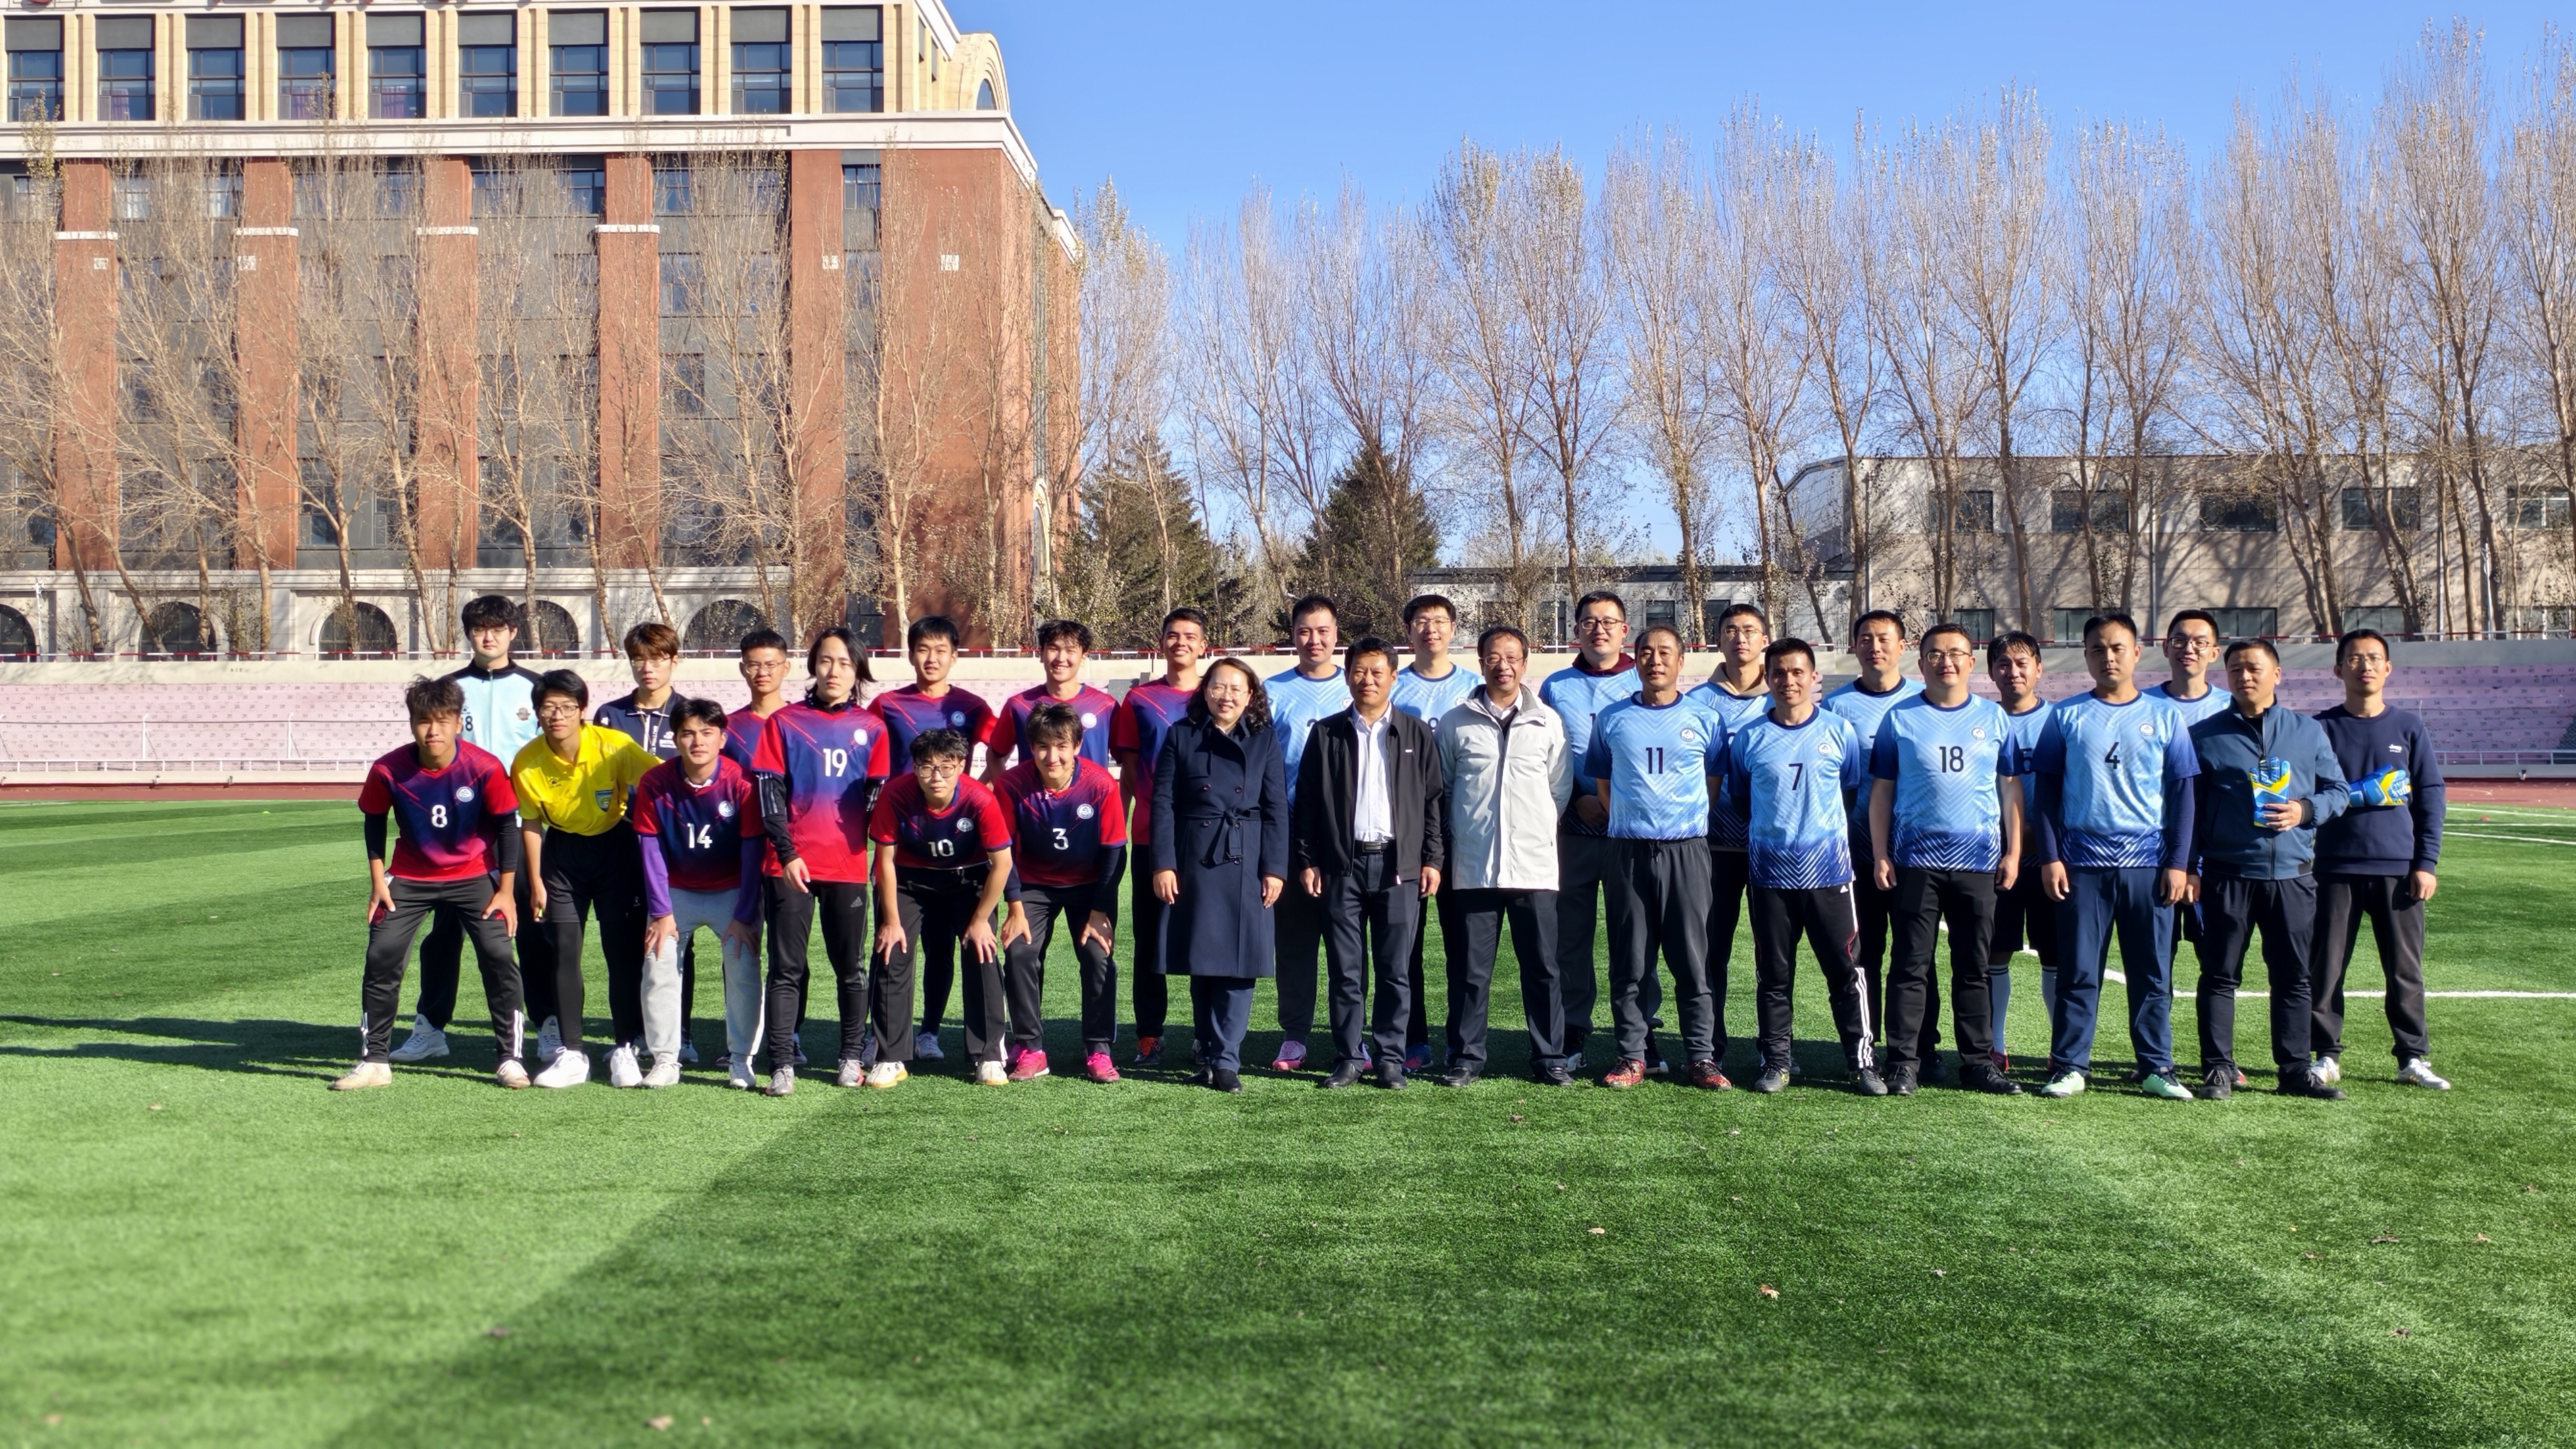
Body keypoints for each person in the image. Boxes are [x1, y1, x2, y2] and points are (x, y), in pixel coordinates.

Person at [2029, 613, 2199, 1101]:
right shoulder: (2066, 716)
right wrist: (2051, 857)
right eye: (2098, 649)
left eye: (2117, 648)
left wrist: (2179, 863)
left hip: (2149, 867)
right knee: (2079, 971)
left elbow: (2183, 796)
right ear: (2085, 655)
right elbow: (2047, 794)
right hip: (2082, 866)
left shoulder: (2165, 717)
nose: (2108, 657)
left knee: (2152, 973)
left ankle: (2156, 1067)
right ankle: (2069, 1066)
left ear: (2137, 652)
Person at [335, 675, 526, 1091]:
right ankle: (374, 1061)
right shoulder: (388, 768)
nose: (433, 731)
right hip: (410, 876)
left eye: (442, 720)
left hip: (473, 874)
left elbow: (507, 827)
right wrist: (378, 880)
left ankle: (510, 1059)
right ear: (412, 723)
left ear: (458, 722)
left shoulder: (484, 767)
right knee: (382, 954)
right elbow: (374, 821)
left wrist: (506, 891)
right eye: (424, 721)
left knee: (498, 955)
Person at [2186, 638, 2350, 1101]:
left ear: (2276, 675)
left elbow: (2338, 791)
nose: (2244, 676)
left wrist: (2304, 810)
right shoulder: (2204, 736)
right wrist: (2190, 867)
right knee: (2219, 975)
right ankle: (2218, 1068)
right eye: (2236, 669)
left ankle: (2294, 1069)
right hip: (2228, 875)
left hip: (2292, 876)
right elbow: (2191, 810)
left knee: (2294, 977)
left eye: (2254, 668)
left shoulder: (2307, 732)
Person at [389, 594, 547, 1067]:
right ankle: (430, 1027)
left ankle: (547, 1026)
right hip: (460, 836)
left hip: (519, 827)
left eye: (498, 628)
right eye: (479, 629)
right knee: (444, 936)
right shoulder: (449, 689)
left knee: (531, 930)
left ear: (513, 632)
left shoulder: (535, 688)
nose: (488, 637)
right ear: (469, 634)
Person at [1866, 624, 2025, 1096]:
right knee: (1910, 965)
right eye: (1935, 654)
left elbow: (2010, 789)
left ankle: (1978, 1062)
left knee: (1973, 966)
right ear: (1921, 663)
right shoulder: (1900, 718)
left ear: (1972, 662)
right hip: (1916, 861)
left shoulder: (1994, 719)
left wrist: (2014, 852)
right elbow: (1882, 792)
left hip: (1978, 862)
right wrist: (1881, 853)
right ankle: (1904, 1062)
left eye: (1956, 653)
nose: (1946, 662)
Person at [1721, 640, 1882, 1095]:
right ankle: (1776, 1061)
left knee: (1846, 972)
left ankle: (1861, 1062)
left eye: (1797, 673)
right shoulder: (1750, 738)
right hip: (1769, 877)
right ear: (1767, 678)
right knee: (1774, 975)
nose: (1788, 681)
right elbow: (1742, 800)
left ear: (1813, 677)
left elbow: (1848, 792)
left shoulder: (1839, 731)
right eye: (1779, 673)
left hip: (1829, 875)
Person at [1294, 637, 1447, 1090]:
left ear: (1394, 677)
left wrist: (1432, 858)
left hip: (1399, 866)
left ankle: (1390, 1059)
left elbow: (1433, 802)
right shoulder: (1326, 733)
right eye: (1359, 671)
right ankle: (1348, 1056)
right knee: (1346, 970)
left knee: (1395, 969)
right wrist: (1308, 859)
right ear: (1347, 677)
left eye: (1378, 672)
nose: (1368, 680)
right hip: (1342, 866)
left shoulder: (1415, 733)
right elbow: (1307, 803)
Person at [1584, 625, 1728, 1090]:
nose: (1655, 660)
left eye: (1665, 652)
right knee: (1630, 960)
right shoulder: (1612, 718)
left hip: (1687, 851)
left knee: (1693, 959)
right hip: (1628, 852)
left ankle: (1701, 1056)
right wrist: (1633, 820)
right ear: (1636, 659)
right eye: (1646, 652)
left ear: (1681, 661)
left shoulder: (1705, 718)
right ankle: (1632, 1055)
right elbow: (1603, 784)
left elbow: (1711, 785)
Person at [752, 628, 892, 1093]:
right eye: (827, 661)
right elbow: (769, 796)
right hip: (788, 867)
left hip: (847, 867)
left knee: (850, 968)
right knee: (786, 969)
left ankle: (850, 1056)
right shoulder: (784, 723)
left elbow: (876, 804)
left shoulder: (872, 729)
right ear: (813, 666)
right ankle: (781, 1063)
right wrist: (787, 853)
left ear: (858, 672)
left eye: (845, 663)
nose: (835, 671)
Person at [2311, 628, 2448, 1091]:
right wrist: (2359, 793)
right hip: (2333, 868)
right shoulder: (2321, 728)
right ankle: (2325, 1054)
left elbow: (2430, 796)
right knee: (2325, 968)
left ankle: (2412, 1057)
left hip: (2398, 870)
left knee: (2405, 970)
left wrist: (2425, 863)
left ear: (2388, 668)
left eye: (2373, 658)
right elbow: (2306, 794)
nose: (2364, 666)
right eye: (2354, 658)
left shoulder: (2408, 727)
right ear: (2338, 669)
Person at [1438, 625, 1575, 1085]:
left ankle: (1550, 1056)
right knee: (1469, 971)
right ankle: (1465, 1057)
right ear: (1481, 663)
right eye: (1494, 658)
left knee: (1543, 967)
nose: (1504, 666)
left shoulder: (1548, 721)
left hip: (1533, 867)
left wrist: (1531, 830)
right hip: (1473, 866)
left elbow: (1559, 789)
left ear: (1525, 662)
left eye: (1512, 657)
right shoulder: (1456, 722)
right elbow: (1445, 787)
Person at [512, 670, 660, 1089]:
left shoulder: (614, 746)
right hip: (562, 857)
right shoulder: (527, 761)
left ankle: (626, 1047)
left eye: (567, 707)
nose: (557, 715)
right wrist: (536, 881)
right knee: (564, 951)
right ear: (537, 713)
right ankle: (572, 1053)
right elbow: (530, 822)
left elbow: (659, 780)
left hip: (616, 850)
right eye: (548, 708)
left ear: (582, 710)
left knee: (621, 954)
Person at [1148, 657, 1289, 1092]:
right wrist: (1164, 863)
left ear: (1250, 697)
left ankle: (1227, 1060)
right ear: (1205, 691)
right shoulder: (1181, 734)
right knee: (1203, 960)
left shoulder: (1264, 739)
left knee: (1239, 963)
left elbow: (1276, 808)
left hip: (1247, 857)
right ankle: (1208, 1052)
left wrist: (1275, 868)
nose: (1226, 696)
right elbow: (1163, 802)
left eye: (1236, 689)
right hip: (1195, 856)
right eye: (1218, 687)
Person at [874, 615, 999, 1060]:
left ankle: (929, 1031)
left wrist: (977, 794)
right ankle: (883, 1038)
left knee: (943, 947)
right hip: (903, 841)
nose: (931, 658)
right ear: (910, 654)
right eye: (923, 649)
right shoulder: (887, 704)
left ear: (954, 656)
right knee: (890, 943)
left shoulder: (973, 706)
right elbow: (867, 756)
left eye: (941, 650)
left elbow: (999, 751)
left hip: (958, 850)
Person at [1539, 590, 1649, 1072]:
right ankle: (1573, 1029)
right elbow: (1545, 755)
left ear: (1625, 629)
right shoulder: (1555, 686)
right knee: (1571, 938)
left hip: (1630, 831)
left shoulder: (1643, 677)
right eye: (1589, 621)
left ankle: (1642, 1033)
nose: (1598, 629)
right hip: (1575, 826)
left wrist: (1615, 803)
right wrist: (1573, 804)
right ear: (1576, 630)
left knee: (1636, 936)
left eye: (1609, 621)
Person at [870, 728, 1016, 1087]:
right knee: (891, 951)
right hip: (909, 881)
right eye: (926, 767)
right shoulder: (895, 794)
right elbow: (884, 861)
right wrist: (891, 921)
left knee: (981, 951)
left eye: (946, 767)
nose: (936, 777)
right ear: (914, 767)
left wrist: (981, 920)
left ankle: (988, 1054)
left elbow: (1002, 864)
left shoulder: (980, 799)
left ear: (962, 766)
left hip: (967, 880)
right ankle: (890, 1055)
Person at [633, 698, 764, 1089]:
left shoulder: (742, 782)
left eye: (707, 733)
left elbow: (752, 850)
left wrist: (744, 914)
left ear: (722, 738)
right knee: (658, 963)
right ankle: (665, 1059)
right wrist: (661, 912)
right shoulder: (655, 782)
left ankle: (741, 1059)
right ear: (675, 739)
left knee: (743, 966)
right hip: (677, 891)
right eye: (688, 733)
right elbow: (650, 849)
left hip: (731, 891)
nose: (698, 741)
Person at [996, 702, 1130, 1084]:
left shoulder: (1101, 785)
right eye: (1042, 746)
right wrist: (1015, 905)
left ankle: (1099, 1048)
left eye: (1060, 746)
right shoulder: (1011, 785)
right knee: (1019, 951)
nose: (1051, 756)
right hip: (1033, 885)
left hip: (1088, 884)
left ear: (1077, 746)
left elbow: (1114, 852)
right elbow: (1002, 851)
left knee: (1097, 954)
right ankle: (1030, 1047)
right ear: (1031, 747)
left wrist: (1100, 911)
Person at [1822, 609, 1925, 1067]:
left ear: (1903, 645)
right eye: (1865, 638)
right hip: (1857, 853)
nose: (1875, 647)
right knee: (1864, 956)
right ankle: (1868, 1048)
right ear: (1854, 646)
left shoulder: (1923, 700)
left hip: (1917, 854)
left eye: (1884, 638)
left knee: (1915, 956)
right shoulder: (1836, 707)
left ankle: (1921, 1047)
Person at [594, 620, 699, 1063]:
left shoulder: (689, 715)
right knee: (623, 945)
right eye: (638, 659)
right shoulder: (610, 715)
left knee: (675, 944)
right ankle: (629, 1036)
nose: (647, 668)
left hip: (674, 846)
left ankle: (681, 1035)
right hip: (621, 844)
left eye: (657, 658)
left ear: (674, 660)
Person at [1110, 607, 1209, 1068]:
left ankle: (1207, 1036)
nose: (1180, 643)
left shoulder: (1218, 694)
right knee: (1149, 940)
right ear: (1162, 642)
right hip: (1152, 838)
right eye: (1172, 635)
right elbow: (1130, 771)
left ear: (1204, 645)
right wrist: (1133, 822)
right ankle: (1149, 1034)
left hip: (1207, 841)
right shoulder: (1139, 700)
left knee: (1206, 937)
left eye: (1190, 636)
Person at [1264, 595, 1353, 1072]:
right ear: (1293, 635)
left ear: (1336, 634)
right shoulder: (1272, 690)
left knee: (1347, 943)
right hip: (1290, 829)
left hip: (1345, 831)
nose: (1314, 640)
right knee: (1295, 942)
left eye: (1323, 631)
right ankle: (1295, 1035)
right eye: (1304, 631)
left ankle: (1352, 1037)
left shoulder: (1358, 684)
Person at [1392, 592, 1478, 1070]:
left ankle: (1461, 1042)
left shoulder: (1473, 687)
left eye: (1440, 621)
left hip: (1461, 830)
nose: (1431, 629)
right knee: (1406, 944)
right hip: (1406, 831)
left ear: (1453, 628)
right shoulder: (1394, 685)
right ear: (1408, 630)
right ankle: (1413, 1040)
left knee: (1462, 944)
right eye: (1422, 621)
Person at [1686, 603, 1773, 1077]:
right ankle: (1709, 1046)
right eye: (1731, 630)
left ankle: (1772, 1048)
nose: (1741, 638)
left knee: (1771, 956)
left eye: (1750, 630)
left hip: (1771, 852)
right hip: (1711, 848)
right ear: (1717, 640)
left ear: (1765, 639)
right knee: (1710, 951)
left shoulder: (1783, 695)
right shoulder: (1697, 701)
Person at [1984, 631, 2054, 1070]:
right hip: (1997, 860)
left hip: (2050, 859)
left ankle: (2060, 1048)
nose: (2013, 672)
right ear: (1991, 672)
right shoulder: (1982, 720)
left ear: (2039, 668)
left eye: (2022, 662)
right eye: (2003, 664)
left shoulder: (2059, 720)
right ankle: (1995, 1045)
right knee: (1996, 952)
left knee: (2056, 953)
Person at [985, 618, 1118, 781]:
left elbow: (1128, 760)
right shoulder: (1019, 706)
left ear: (1083, 657)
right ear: (1041, 653)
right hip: (1034, 798)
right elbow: (995, 755)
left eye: (1070, 651)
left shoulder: (1106, 706)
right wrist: (1007, 791)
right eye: (1054, 649)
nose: (1061, 658)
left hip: (1091, 798)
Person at [722, 628, 795, 770]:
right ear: (743, 669)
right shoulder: (728, 727)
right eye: (754, 665)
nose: (762, 672)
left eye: (771, 665)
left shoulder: (802, 724)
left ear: (786, 668)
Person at [2144, 610, 2231, 727]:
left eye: (2200, 643)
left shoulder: (2231, 706)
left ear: (2214, 654)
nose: (2188, 650)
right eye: (2179, 641)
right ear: (2166, 648)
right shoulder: (2141, 703)